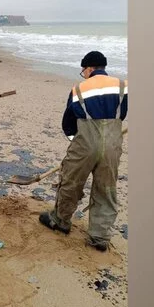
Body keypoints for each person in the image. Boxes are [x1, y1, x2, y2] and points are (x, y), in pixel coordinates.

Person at [38, 51, 128, 251]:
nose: (83, 74)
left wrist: (76, 141)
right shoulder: (122, 86)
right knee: (106, 189)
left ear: (89, 68)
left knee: (71, 182)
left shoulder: (79, 89)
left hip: (85, 144)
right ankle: (100, 238)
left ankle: (60, 221)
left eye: (83, 71)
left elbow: (68, 123)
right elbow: (125, 113)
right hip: (113, 144)